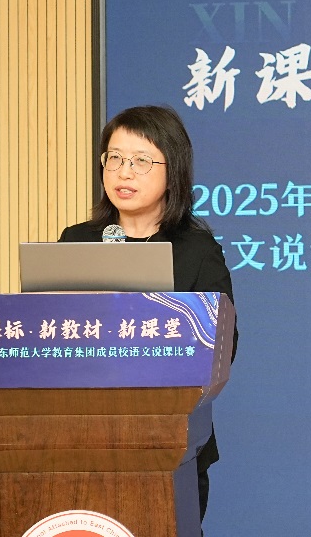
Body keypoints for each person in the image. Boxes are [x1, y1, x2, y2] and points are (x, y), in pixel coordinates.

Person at [58, 104, 235, 522]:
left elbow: (222, 348)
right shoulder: (77, 242)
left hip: (171, 442)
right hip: (79, 438)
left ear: (173, 172)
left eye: (141, 161)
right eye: (115, 158)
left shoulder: (196, 251)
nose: (124, 172)